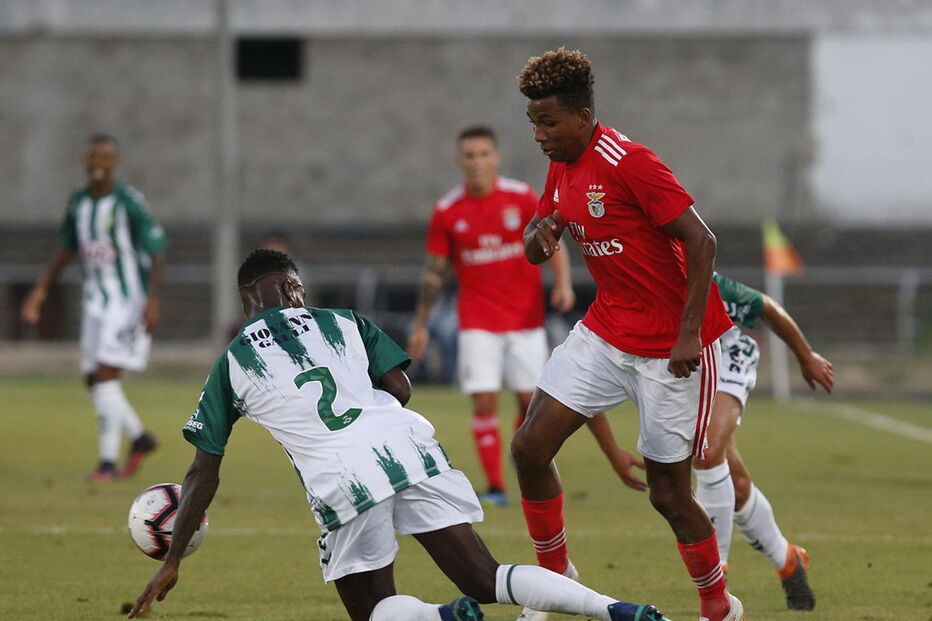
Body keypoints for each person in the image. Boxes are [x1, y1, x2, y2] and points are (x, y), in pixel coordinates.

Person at [127, 249, 673, 621]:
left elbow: (204, 469)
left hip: (341, 477)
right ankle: (616, 610)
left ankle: (442, 616)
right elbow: (401, 386)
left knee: (372, 611)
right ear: (295, 288)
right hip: (406, 443)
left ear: (248, 301)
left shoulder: (232, 361)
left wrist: (173, 559)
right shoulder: (344, 321)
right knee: (487, 576)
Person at [513, 48, 743, 621]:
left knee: (668, 496)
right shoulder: (562, 163)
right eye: (533, 123)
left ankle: (719, 606)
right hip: (607, 329)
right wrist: (535, 241)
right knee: (529, 447)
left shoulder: (629, 160)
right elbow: (541, 231)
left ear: (583, 115)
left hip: (673, 347)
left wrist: (689, 334)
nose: (540, 135)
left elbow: (702, 241)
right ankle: (555, 580)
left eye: (548, 122)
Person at [407, 125, 576, 506]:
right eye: (470, 155)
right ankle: (496, 486)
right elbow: (434, 271)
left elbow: (553, 240)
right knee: (484, 401)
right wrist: (421, 324)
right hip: (478, 321)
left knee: (529, 405)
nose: (477, 162)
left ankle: (526, 469)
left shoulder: (520, 197)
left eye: (484, 154)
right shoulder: (448, 210)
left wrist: (562, 284)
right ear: (459, 161)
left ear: (496, 157)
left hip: (525, 320)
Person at [20, 133, 165, 482]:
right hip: (94, 302)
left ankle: (113, 457)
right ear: (85, 162)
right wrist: (41, 290)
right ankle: (129, 445)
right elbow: (66, 247)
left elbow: (157, 248)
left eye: (104, 157)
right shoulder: (80, 202)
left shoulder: (128, 202)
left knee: (104, 376)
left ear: (115, 162)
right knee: (93, 379)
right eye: (91, 157)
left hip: (126, 301)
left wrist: (152, 300)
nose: (96, 163)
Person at [693, 271, 832, 610]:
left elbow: (767, 307)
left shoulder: (700, 278)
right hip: (687, 372)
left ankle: (716, 581)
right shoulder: (633, 275)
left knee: (708, 451)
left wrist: (806, 356)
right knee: (735, 484)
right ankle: (787, 559)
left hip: (729, 358)